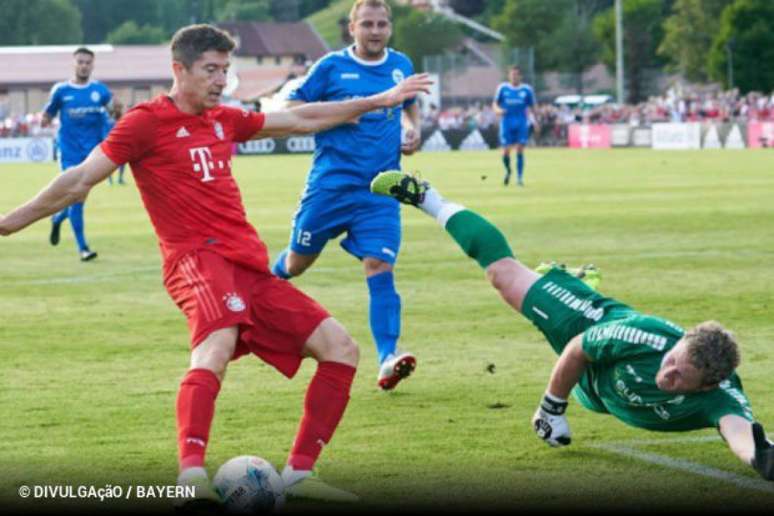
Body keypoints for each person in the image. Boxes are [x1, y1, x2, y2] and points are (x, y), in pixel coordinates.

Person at [0, 25, 431, 509]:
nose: (221, 80)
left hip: (247, 264)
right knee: (217, 343)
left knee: (341, 348)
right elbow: (79, 180)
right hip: (195, 259)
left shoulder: (223, 119)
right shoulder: (144, 123)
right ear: (178, 70)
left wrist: (382, 99)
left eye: (226, 70)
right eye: (210, 70)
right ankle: (190, 479)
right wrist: (6, 224)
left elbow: (302, 119)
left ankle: (299, 475)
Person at [369, 171, 774, 482]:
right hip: (589, 327)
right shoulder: (641, 335)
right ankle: (426, 197)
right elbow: (579, 348)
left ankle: (569, 279)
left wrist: (765, 460)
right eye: (671, 360)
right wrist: (551, 409)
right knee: (503, 277)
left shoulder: (721, 397)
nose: (666, 373)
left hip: (600, 388)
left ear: (706, 386)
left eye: (679, 376)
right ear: (678, 343)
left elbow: (745, 437)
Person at [271, 0, 423, 391]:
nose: (375, 31)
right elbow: (291, 106)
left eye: (382, 24)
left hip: (380, 191)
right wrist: (341, 111)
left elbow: (409, 104)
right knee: (296, 264)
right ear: (352, 28)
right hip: (331, 187)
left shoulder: (401, 65)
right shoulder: (330, 67)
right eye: (367, 24)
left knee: (379, 265)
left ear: (390, 27)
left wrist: (412, 129)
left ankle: (388, 358)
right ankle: (257, 291)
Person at [42, 47, 112, 261]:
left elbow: (114, 113)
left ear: (93, 65)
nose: (84, 65)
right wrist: (45, 120)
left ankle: (57, 217)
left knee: (79, 196)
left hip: (92, 154)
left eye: (87, 62)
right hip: (69, 153)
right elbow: (47, 115)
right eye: (80, 62)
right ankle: (83, 248)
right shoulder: (61, 91)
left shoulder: (100, 91)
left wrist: (117, 109)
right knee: (76, 198)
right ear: (74, 64)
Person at [492, 66, 536, 187]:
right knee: (506, 150)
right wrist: (498, 110)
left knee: (520, 149)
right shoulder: (503, 88)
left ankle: (519, 178)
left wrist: (536, 122)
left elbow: (533, 107)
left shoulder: (526, 90)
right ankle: (508, 171)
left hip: (521, 122)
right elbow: (495, 104)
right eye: (512, 74)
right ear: (509, 76)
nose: (514, 77)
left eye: (516, 74)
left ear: (520, 76)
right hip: (506, 123)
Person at [103, 99, 127, 186]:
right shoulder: (108, 119)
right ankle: (110, 180)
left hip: (121, 143)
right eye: (118, 107)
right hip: (110, 142)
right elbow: (106, 131)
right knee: (108, 163)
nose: (119, 109)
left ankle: (120, 179)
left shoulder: (122, 118)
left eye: (120, 108)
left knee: (122, 163)